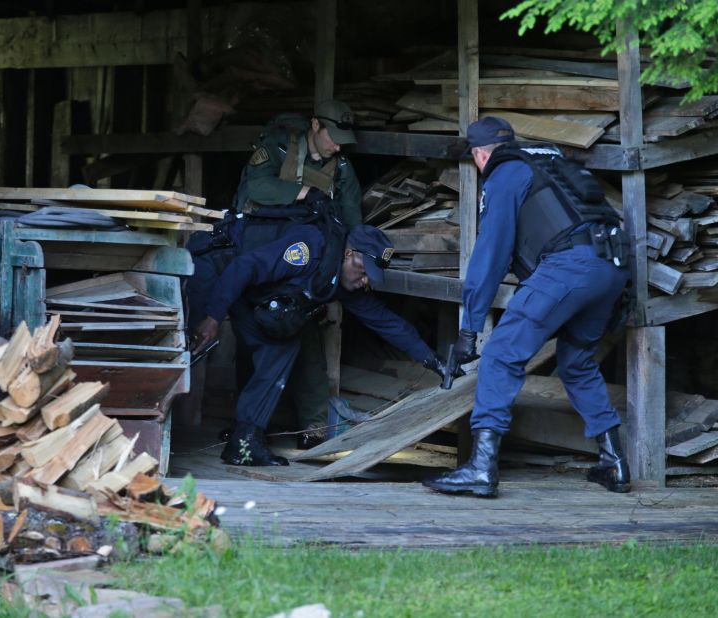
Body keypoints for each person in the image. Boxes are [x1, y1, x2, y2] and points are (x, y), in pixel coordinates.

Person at [423, 116, 631, 498]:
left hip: (570, 268)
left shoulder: (505, 174)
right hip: (613, 267)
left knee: (501, 354)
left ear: (481, 153)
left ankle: (482, 469)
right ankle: (614, 462)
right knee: (578, 361)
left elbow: (490, 255)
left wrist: (469, 331)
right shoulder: (549, 162)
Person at [187, 214, 448, 467]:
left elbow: (386, 321)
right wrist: (213, 317)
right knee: (191, 346)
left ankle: (244, 442)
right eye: (364, 272)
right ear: (350, 254)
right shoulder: (309, 249)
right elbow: (243, 267)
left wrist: (434, 361)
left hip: (245, 287)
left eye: (371, 277)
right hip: (215, 267)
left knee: (280, 347)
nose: (365, 281)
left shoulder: (345, 282)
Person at [230, 99, 363, 449]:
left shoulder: (343, 168)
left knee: (307, 338)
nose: (337, 145)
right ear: (316, 126)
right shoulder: (275, 147)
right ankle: (247, 425)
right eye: (333, 136)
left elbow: (352, 221)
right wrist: (305, 193)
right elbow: (257, 188)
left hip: (305, 261)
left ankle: (313, 426)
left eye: (343, 140)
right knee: (251, 340)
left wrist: (346, 259)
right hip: (260, 253)